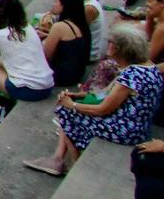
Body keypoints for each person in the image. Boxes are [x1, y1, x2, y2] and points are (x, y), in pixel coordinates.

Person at [29, 25, 164, 177]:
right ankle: (59, 159)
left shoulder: (131, 75)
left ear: (119, 47)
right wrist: (79, 97)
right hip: (138, 126)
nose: (108, 43)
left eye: (110, 41)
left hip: (127, 131)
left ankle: (72, 162)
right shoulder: (149, 67)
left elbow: (103, 109)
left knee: (65, 111)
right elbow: (109, 97)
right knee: (71, 109)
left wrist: (72, 105)